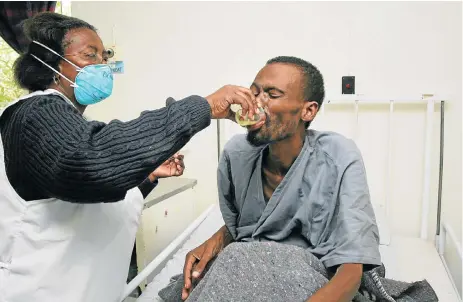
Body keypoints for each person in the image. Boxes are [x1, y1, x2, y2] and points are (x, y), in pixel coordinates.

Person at [0, 12, 258, 302]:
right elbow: (90, 163)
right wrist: (204, 107)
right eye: (90, 55)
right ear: (52, 63)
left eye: (104, 56)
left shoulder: (67, 123)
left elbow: (86, 201)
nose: (102, 66)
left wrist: (146, 176)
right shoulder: (34, 114)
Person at [178, 56, 381, 302]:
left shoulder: (338, 156)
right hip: (246, 261)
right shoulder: (237, 155)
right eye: (254, 93)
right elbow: (246, 227)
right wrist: (218, 239)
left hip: (307, 272)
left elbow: (351, 269)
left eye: (272, 95)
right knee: (227, 262)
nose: (255, 103)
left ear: (308, 110)